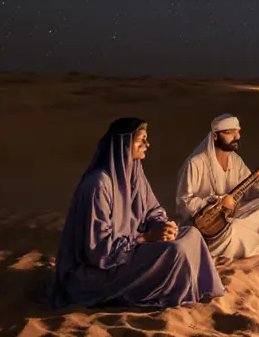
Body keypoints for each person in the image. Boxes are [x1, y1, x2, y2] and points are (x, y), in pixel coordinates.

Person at [51, 117, 224, 308]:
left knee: (192, 234)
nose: (147, 144)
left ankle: (200, 293)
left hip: (129, 248)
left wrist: (162, 227)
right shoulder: (98, 184)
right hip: (99, 269)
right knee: (175, 250)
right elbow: (99, 251)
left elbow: (153, 210)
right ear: (124, 143)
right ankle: (173, 298)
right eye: (141, 139)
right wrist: (146, 238)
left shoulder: (134, 173)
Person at [175, 114, 259, 262]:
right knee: (235, 227)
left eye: (238, 131)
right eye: (230, 132)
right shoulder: (195, 163)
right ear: (215, 136)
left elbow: (252, 186)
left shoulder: (235, 160)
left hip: (231, 215)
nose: (237, 136)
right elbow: (184, 202)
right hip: (207, 226)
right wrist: (218, 202)